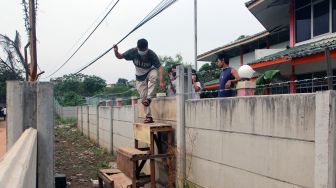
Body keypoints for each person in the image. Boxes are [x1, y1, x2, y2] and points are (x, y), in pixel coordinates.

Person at [113, 39, 165, 123]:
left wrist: (161, 81)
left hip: (150, 70)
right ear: (137, 48)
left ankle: (149, 98)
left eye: (144, 51)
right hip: (140, 76)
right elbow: (119, 56)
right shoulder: (133, 52)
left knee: (154, 75)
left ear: (147, 48)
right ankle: (148, 117)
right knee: (143, 99)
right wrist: (116, 51)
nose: (143, 53)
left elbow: (160, 68)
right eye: (141, 51)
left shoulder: (151, 54)